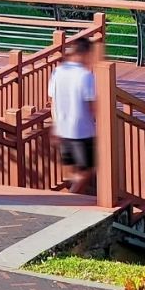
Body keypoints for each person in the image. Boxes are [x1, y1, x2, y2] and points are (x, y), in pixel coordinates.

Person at [49, 35, 97, 194]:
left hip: (62, 128)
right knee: (87, 170)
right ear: (84, 53)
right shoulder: (85, 75)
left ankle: (76, 197)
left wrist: (54, 125)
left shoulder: (58, 71)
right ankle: (70, 198)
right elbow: (91, 105)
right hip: (82, 130)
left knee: (74, 170)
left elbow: (52, 100)